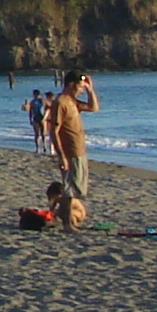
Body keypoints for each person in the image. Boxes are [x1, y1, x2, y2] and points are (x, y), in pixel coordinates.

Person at [51, 68, 99, 218]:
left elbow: (93, 108)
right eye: (80, 87)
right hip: (69, 152)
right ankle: (67, 222)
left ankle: (63, 216)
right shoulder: (60, 102)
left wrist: (90, 89)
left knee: (78, 190)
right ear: (72, 85)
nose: (81, 91)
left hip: (79, 151)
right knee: (69, 191)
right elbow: (54, 131)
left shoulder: (73, 102)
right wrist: (61, 156)